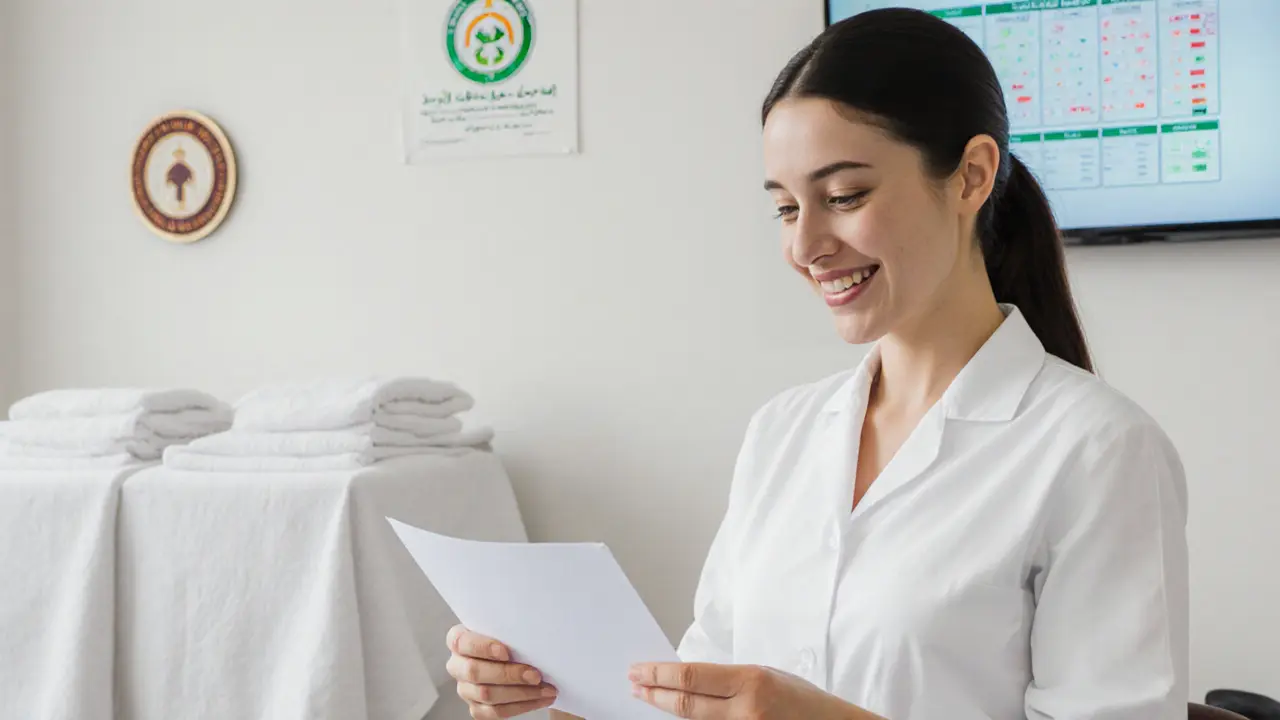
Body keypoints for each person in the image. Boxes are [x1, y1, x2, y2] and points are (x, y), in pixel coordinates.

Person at [444, 8, 1189, 719]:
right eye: (786, 208)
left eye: (843, 195)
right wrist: (553, 695)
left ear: (970, 176)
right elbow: (695, 695)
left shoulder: (1098, 450)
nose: (805, 248)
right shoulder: (784, 431)